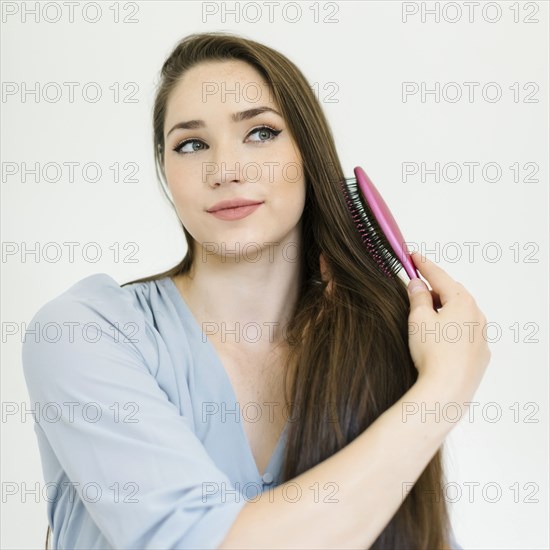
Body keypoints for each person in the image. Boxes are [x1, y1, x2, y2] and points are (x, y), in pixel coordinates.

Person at [22, 32, 491, 549]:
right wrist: (443, 392)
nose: (226, 170)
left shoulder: (376, 343)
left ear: (308, 155)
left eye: (261, 133)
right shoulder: (85, 334)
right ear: (166, 172)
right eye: (192, 144)